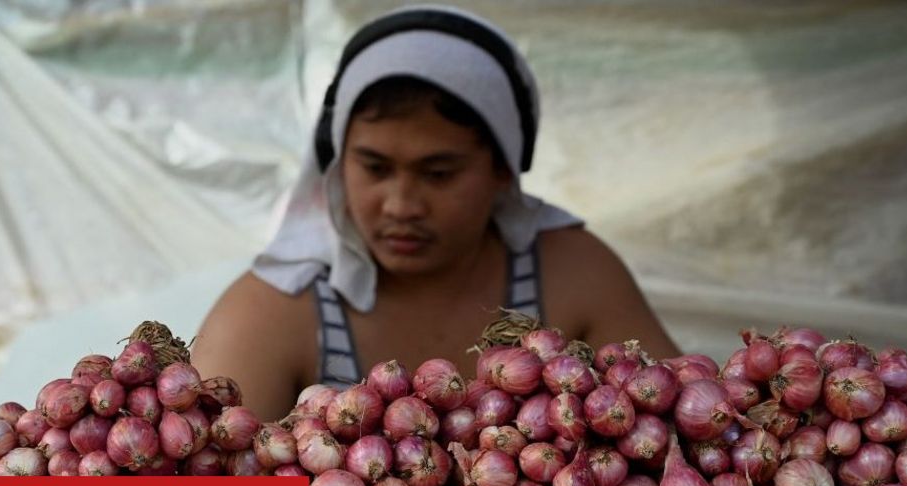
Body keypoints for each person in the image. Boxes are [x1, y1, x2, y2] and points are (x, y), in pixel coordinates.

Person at [191, 5, 680, 422]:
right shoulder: (278, 310)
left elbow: (686, 432)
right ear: (338, 164)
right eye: (375, 167)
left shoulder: (573, 274)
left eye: (439, 173)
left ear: (503, 170)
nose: (402, 205)